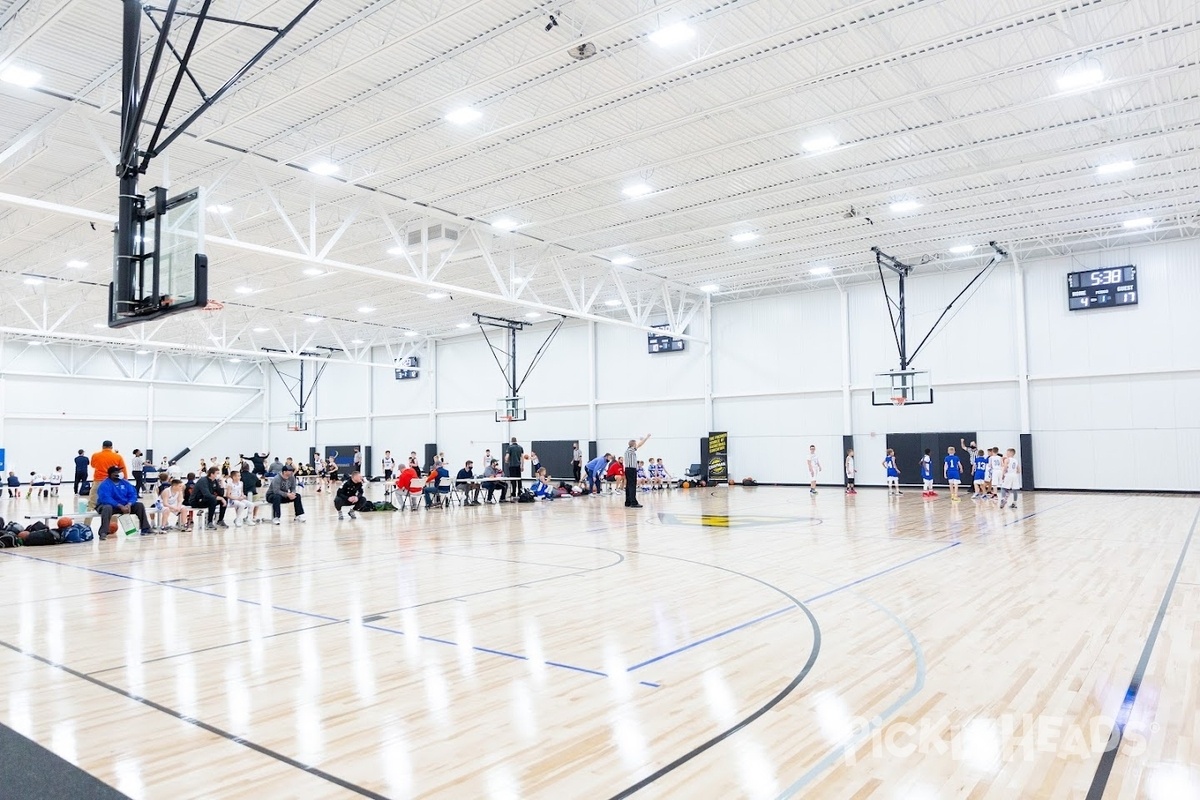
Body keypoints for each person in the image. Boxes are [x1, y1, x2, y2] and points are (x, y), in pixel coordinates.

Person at [96, 465, 153, 539]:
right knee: (107, 508)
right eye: (117, 472)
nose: (120, 473)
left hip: (125, 506)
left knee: (139, 505)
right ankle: (103, 532)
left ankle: (145, 528)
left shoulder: (125, 483)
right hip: (109, 506)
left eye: (120, 471)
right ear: (111, 474)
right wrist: (119, 505)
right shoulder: (105, 484)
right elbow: (106, 498)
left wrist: (129, 504)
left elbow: (133, 494)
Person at [88, 440, 128, 510]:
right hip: (112, 482)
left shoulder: (95, 455)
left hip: (98, 481)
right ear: (111, 447)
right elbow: (123, 469)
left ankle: (87, 521)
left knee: (92, 503)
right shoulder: (118, 456)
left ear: (102, 447)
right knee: (113, 503)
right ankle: (113, 521)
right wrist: (125, 480)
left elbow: (93, 465)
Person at [624, 434, 651, 508]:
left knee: (628, 485)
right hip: (631, 469)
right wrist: (646, 438)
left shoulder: (627, 451)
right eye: (635, 444)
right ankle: (633, 502)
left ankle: (628, 502)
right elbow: (640, 444)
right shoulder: (631, 450)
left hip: (627, 469)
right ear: (633, 444)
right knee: (632, 485)